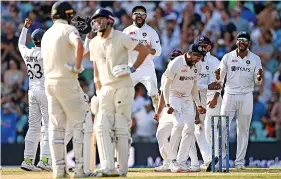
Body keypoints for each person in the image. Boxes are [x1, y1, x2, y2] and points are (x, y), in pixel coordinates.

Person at [88, 8, 149, 177]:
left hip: (123, 86)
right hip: (106, 88)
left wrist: (132, 68)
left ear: (109, 21)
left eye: (100, 19)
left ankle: (122, 169)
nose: (97, 23)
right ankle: (108, 167)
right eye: (95, 20)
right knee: (100, 126)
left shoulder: (121, 37)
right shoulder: (93, 42)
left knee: (121, 127)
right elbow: (95, 69)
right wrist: (98, 89)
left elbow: (143, 51)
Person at [41, 1, 88, 178]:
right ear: (68, 14)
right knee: (79, 124)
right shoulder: (69, 30)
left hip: (49, 83)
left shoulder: (47, 33)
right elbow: (79, 44)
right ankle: (80, 170)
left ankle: (59, 171)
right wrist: (76, 67)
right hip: (66, 81)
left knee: (57, 128)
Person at [214, 31, 263, 169]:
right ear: (236, 42)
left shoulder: (255, 59)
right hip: (229, 93)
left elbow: (257, 81)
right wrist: (217, 77)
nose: (242, 42)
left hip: (247, 95)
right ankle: (222, 159)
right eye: (240, 39)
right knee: (222, 126)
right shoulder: (227, 57)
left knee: (243, 129)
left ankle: (240, 162)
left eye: (245, 40)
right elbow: (220, 80)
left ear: (248, 43)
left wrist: (259, 78)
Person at [162, 43, 206, 172]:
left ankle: (181, 161)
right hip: (174, 96)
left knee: (190, 128)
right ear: (190, 53)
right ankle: (172, 160)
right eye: (197, 55)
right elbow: (165, 85)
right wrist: (167, 104)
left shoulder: (198, 65)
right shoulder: (176, 63)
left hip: (187, 98)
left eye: (201, 56)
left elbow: (194, 86)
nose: (199, 58)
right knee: (179, 125)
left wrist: (198, 104)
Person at [18, 18, 51, 172]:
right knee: (49, 126)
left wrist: (25, 28)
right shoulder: (46, 54)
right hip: (45, 92)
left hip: (31, 92)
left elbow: (20, 44)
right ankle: (45, 159)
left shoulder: (28, 52)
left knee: (33, 127)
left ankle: (27, 160)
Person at [188, 36, 221, 172]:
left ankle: (217, 159)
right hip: (198, 97)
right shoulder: (192, 62)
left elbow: (219, 83)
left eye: (205, 45)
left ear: (210, 47)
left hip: (213, 97)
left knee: (210, 127)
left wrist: (214, 97)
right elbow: (193, 85)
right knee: (198, 128)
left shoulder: (214, 61)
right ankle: (208, 159)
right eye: (200, 45)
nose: (203, 48)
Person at [123, 5, 162, 111]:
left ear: (145, 16)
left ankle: (160, 116)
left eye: (142, 14)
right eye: (136, 14)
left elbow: (158, 51)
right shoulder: (126, 31)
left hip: (147, 67)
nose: (139, 16)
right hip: (131, 66)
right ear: (132, 16)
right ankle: (122, 117)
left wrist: (150, 50)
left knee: (154, 93)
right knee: (123, 94)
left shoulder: (151, 32)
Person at [154, 49, 183, 172]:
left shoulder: (187, 72)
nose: (174, 62)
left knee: (179, 136)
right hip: (167, 109)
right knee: (160, 134)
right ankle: (168, 162)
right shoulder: (166, 73)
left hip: (181, 108)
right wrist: (159, 111)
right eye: (172, 59)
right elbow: (162, 94)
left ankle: (177, 162)